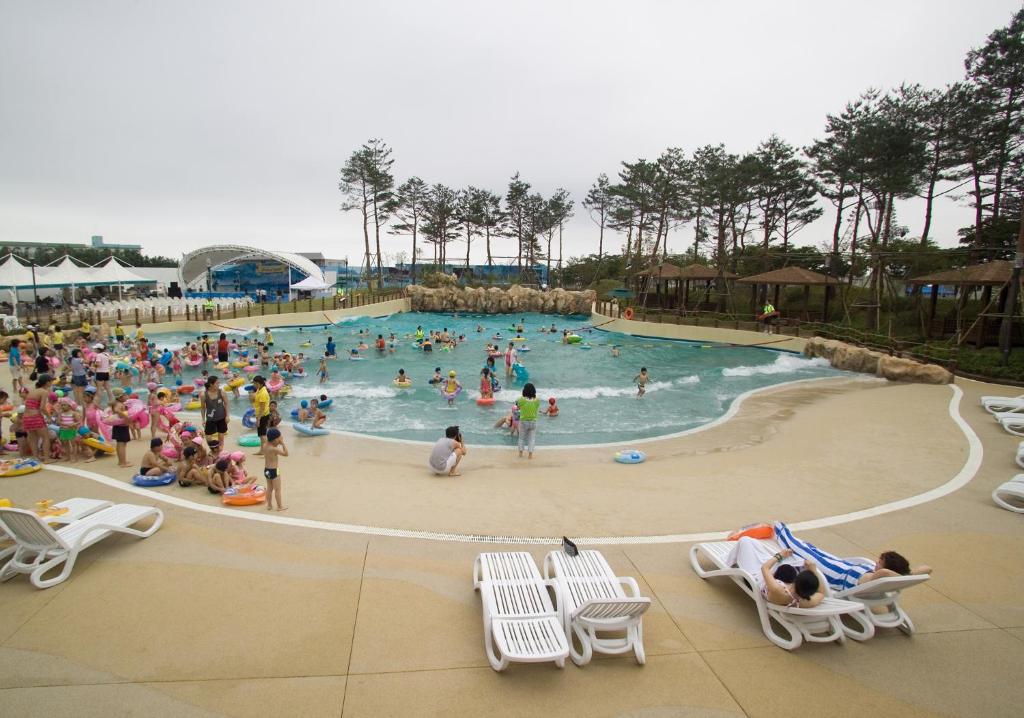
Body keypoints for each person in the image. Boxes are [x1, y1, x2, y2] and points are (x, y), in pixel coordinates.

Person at [773, 522, 932, 590]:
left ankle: (778, 528)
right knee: (811, 548)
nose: (877, 562)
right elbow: (928, 568)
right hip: (840, 564)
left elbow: (884, 572)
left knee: (798, 548)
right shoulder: (883, 576)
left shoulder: (876, 577)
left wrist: (900, 577)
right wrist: (907, 576)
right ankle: (781, 530)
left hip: (833, 573)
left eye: (880, 562)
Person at [727, 536, 825, 608]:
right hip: (774, 576)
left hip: (756, 578)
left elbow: (764, 568)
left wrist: (780, 555)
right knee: (755, 545)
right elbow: (821, 593)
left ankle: (729, 562)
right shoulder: (806, 601)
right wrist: (813, 571)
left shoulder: (778, 590)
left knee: (745, 541)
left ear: (796, 580)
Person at [200, 375, 230, 446]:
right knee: (208, 436)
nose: (219, 384)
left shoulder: (222, 392)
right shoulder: (204, 395)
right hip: (210, 419)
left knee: (221, 436)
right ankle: (212, 448)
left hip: (221, 417)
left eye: (219, 383)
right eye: (217, 383)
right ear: (211, 384)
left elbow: (226, 404)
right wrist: (203, 419)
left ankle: (220, 449)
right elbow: (203, 408)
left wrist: (227, 416)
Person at [264, 427, 288, 510]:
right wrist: (283, 443)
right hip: (274, 470)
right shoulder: (274, 449)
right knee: (277, 490)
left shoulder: (265, 445)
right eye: (278, 439)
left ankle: (269, 505)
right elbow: (286, 454)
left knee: (269, 489)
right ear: (275, 439)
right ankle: (279, 506)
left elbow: (272, 442)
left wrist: (277, 441)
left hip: (266, 470)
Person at [516, 382, 541, 459]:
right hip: (533, 421)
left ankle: (520, 454)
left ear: (524, 391)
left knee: (521, 438)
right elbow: (536, 407)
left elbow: (518, 406)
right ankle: (530, 455)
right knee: (531, 439)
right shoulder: (537, 400)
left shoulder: (521, 400)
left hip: (523, 421)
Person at [109, 387, 133, 468]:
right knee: (122, 444)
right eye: (125, 395)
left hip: (118, 427)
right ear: (120, 397)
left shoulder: (117, 403)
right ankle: (123, 463)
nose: (126, 396)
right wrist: (126, 417)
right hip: (121, 427)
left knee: (120, 444)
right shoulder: (119, 404)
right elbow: (117, 410)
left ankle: (121, 461)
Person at [251, 375, 271, 456]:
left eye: (255, 383)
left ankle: (268, 452)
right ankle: (262, 451)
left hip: (263, 415)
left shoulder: (263, 393)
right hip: (260, 414)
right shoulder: (259, 389)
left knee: (263, 435)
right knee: (261, 435)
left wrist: (258, 419)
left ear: (260, 383)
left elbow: (262, 408)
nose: (254, 385)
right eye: (254, 383)